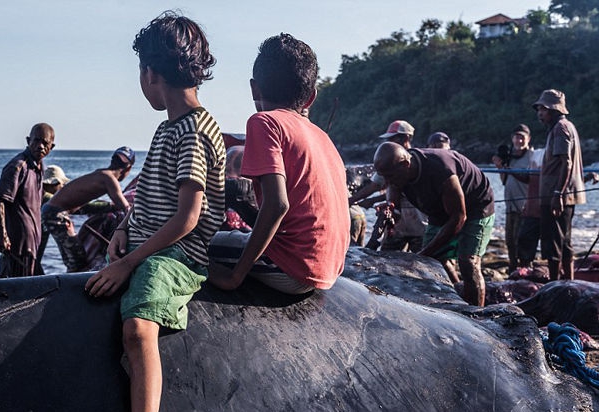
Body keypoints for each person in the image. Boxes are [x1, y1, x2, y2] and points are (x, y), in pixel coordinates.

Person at [82, 12, 225, 412]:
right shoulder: (169, 129)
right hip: (148, 244)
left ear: (150, 74)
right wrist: (123, 230)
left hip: (175, 256)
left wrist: (129, 263)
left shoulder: (192, 131)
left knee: (139, 329)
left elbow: (189, 216)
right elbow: (153, 200)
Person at [207, 34, 349, 293]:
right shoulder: (322, 136)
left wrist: (235, 276)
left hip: (292, 267)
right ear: (311, 98)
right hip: (328, 268)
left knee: (185, 245)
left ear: (254, 88)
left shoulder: (264, 122)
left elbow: (277, 204)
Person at [374, 142, 495, 306]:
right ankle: (451, 297)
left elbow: (459, 218)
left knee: (468, 262)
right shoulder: (397, 175)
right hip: (438, 209)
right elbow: (394, 201)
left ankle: (477, 315)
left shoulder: (441, 171)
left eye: (390, 176)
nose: (387, 182)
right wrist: (390, 210)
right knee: (432, 262)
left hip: (475, 206)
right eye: (384, 177)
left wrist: (424, 253)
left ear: (406, 165)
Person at [42, 147, 136, 272]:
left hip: (52, 211)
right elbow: (125, 207)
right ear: (128, 169)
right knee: (78, 259)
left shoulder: (101, 173)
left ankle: (68, 279)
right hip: (56, 213)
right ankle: (73, 285)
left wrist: (107, 207)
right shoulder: (109, 179)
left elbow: (82, 203)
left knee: (71, 256)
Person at [533, 89, 586, 280]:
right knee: (564, 241)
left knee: (553, 243)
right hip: (562, 194)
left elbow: (567, 162)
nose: (540, 113)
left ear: (553, 110)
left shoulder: (560, 128)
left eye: (543, 109)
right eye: (538, 109)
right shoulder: (566, 126)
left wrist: (558, 193)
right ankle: (567, 283)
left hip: (556, 195)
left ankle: (556, 285)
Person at [349, 120, 426, 252]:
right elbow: (374, 186)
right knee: (386, 259)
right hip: (397, 225)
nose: (389, 142)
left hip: (419, 223)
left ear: (405, 138)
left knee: (420, 263)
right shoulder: (388, 162)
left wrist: (371, 201)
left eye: (393, 138)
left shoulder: (418, 162)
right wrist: (350, 201)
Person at [0, 123, 55, 278]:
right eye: (36, 141)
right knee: (14, 291)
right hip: (18, 245)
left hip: (32, 245)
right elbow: (0, 200)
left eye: (45, 143)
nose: (40, 146)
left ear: (51, 147)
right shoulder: (18, 167)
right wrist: (2, 235)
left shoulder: (40, 168)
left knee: (29, 288)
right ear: (28, 141)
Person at [491, 124, 535, 271]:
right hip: (510, 205)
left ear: (528, 139)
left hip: (525, 205)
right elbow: (504, 181)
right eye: (517, 137)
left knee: (521, 241)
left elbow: (529, 178)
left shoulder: (532, 156)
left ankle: (524, 268)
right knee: (510, 241)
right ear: (512, 139)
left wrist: (510, 170)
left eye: (522, 137)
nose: (519, 141)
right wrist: (501, 167)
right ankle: (513, 267)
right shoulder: (510, 156)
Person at [35, 165, 70, 275]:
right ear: (53, 184)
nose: (63, 186)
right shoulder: (49, 200)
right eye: (61, 183)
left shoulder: (37, 195)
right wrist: (110, 206)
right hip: (30, 253)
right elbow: (76, 205)